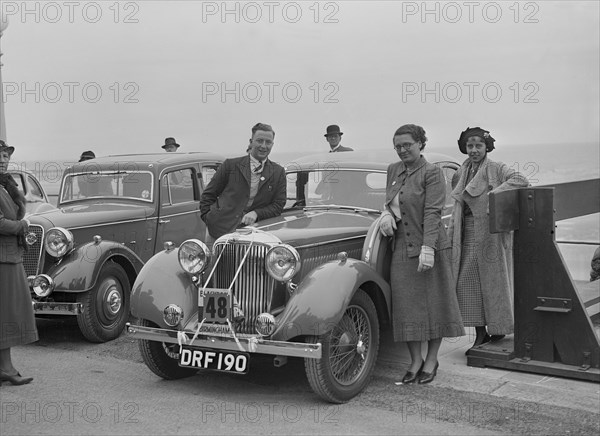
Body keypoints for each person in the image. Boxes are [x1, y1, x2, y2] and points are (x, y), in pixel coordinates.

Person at [379, 124, 464, 385]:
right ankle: (414, 360)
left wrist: (428, 248)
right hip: (403, 247)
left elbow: (432, 212)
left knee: (434, 306)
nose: (402, 150)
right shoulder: (393, 169)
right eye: (398, 146)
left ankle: (431, 360)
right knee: (407, 308)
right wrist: (385, 213)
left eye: (408, 145)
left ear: (420, 144)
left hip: (432, 245)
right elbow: (391, 200)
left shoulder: (432, 173)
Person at [448, 127, 529, 350]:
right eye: (469, 146)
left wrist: (495, 195)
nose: (473, 150)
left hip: (490, 234)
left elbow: (521, 180)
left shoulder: (496, 168)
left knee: (489, 284)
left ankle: (490, 332)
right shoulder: (461, 171)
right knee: (468, 285)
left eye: (478, 145)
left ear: (487, 147)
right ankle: (483, 332)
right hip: (465, 232)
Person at [200, 123, 286, 241]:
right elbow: (208, 195)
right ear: (251, 141)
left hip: (254, 236)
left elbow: (278, 205)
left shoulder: (278, 172)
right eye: (259, 141)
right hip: (218, 233)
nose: (263, 146)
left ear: (272, 144)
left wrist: (257, 213)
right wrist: (209, 218)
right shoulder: (230, 165)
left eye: (268, 142)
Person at [0, 140, 38, 385]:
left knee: (7, 314)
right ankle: (7, 369)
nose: (3, 159)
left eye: (5, 155)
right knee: (7, 313)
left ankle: (5, 368)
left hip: (10, 256)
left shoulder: (5, 185)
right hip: (3, 258)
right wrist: (23, 225)